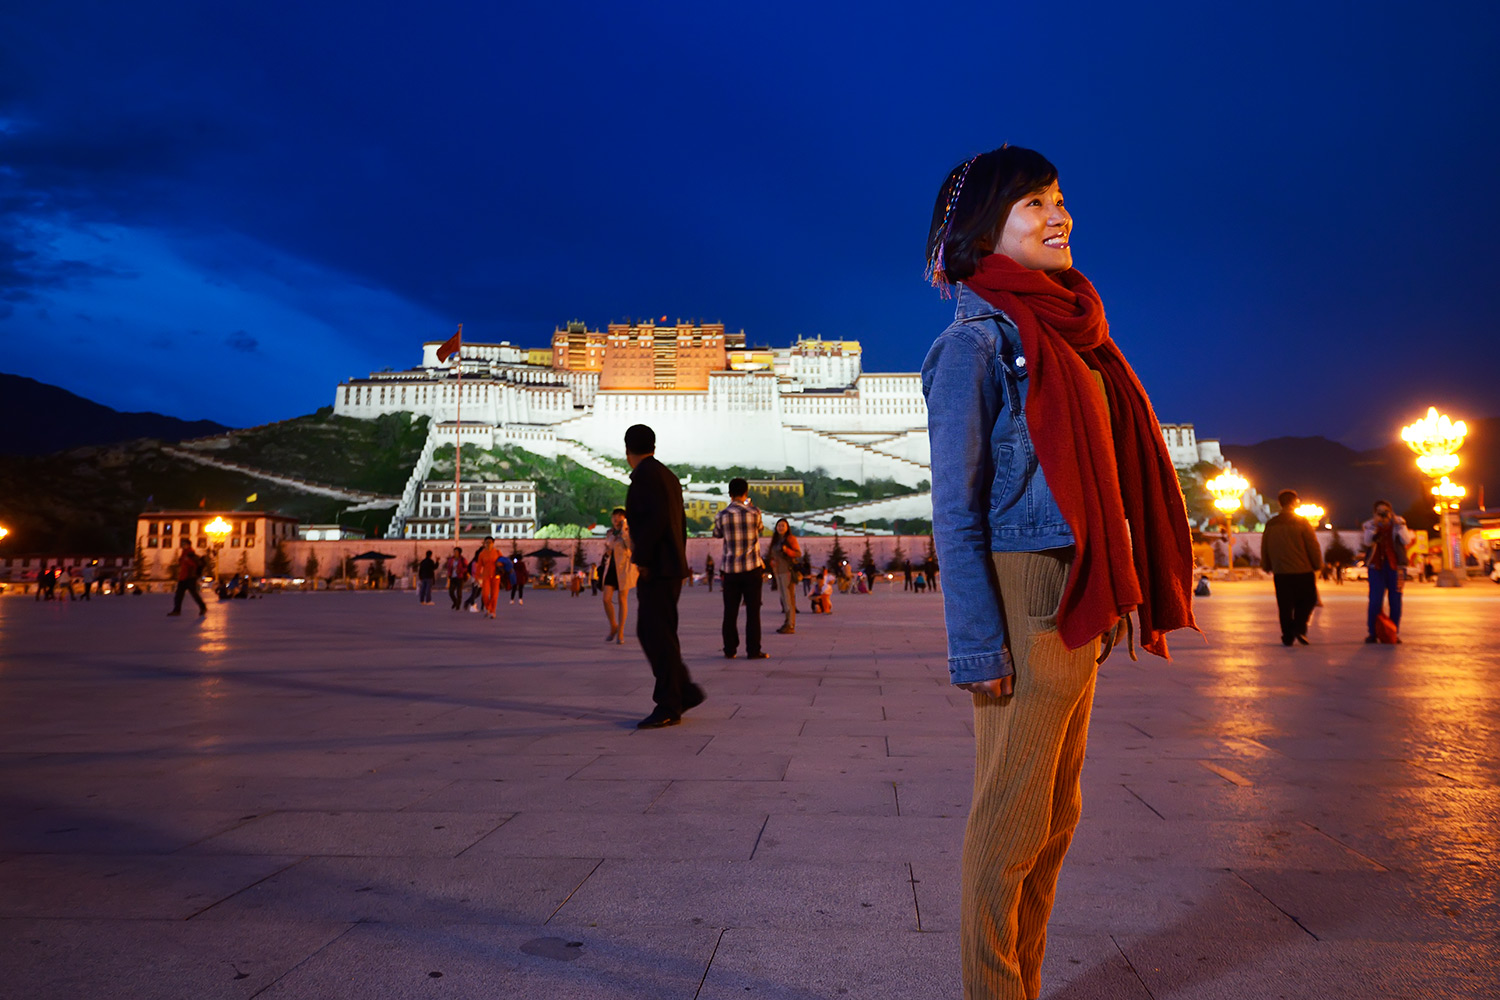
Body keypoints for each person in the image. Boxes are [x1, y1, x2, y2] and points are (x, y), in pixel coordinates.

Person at [921, 145, 1195, 1000]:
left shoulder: (1077, 333)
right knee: (1010, 819)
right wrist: (978, 646)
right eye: (1034, 203)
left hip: (1081, 592)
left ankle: (1022, 984)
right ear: (984, 230)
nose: (1058, 215)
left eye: (1060, 199)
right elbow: (956, 511)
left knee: (1054, 817)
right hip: (1030, 591)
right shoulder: (975, 343)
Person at [623, 423, 705, 729]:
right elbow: (678, 524)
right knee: (660, 633)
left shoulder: (645, 477)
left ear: (627, 450)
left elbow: (653, 524)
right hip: (671, 566)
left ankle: (670, 702)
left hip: (657, 568)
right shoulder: (667, 476)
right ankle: (684, 690)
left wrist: (643, 560)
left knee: (655, 633)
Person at [1261, 490, 1324, 646]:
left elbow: (1265, 546)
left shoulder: (1271, 523)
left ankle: (1287, 636)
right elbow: (1313, 546)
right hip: (1302, 570)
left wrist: (1267, 564)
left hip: (1281, 572)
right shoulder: (1302, 522)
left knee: (1285, 605)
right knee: (1309, 599)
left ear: (1280, 503)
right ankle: (1298, 627)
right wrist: (1317, 564)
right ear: (1295, 503)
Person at [714, 477, 768, 660]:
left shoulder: (722, 515)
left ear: (729, 494)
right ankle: (753, 650)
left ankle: (730, 649)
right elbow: (759, 529)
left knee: (730, 611)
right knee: (753, 612)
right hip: (752, 568)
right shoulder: (755, 512)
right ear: (746, 492)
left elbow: (717, 534)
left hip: (730, 569)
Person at [1362, 499, 1411, 642]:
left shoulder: (1399, 522)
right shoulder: (1369, 525)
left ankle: (1393, 632)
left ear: (1391, 511)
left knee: (1395, 600)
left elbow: (1406, 540)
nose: (1383, 514)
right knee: (1375, 600)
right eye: (1380, 512)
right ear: (1374, 513)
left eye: (1386, 511)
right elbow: (1367, 542)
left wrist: (1398, 525)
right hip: (1376, 567)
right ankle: (1373, 632)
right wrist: (1375, 527)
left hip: (1397, 568)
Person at [600, 507, 638, 644]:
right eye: (614, 517)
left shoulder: (629, 532)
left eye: (619, 517)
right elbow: (607, 547)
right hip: (611, 568)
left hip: (624, 569)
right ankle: (613, 625)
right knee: (606, 599)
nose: (616, 520)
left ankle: (620, 632)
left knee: (622, 599)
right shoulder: (610, 533)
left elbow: (631, 547)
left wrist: (625, 532)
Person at [768, 518, 802, 634]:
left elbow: (798, 553)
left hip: (787, 571)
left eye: (783, 525)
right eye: (779, 525)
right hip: (778, 572)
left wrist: (787, 550)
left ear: (787, 527)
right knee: (783, 598)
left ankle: (791, 624)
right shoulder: (776, 540)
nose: (780, 528)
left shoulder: (790, 539)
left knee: (789, 599)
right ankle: (787, 621)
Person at [166, 538, 208, 616]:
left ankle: (203, 607)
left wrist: (187, 561)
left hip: (190, 578)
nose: (183, 546)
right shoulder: (184, 554)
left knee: (194, 594)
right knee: (178, 595)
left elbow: (195, 565)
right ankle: (176, 610)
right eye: (182, 544)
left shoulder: (191, 554)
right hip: (183, 577)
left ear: (188, 545)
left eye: (184, 544)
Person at [474, 537, 501, 618]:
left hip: (496, 576)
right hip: (486, 576)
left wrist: (501, 564)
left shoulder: (497, 552)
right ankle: (488, 607)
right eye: (487, 542)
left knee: (494, 595)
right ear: (484, 543)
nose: (488, 544)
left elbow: (503, 562)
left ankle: (493, 611)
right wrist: (477, 577)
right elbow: (479, 566)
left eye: (490, 542)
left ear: (493, 543)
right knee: (484, 594)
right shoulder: (482, 554)